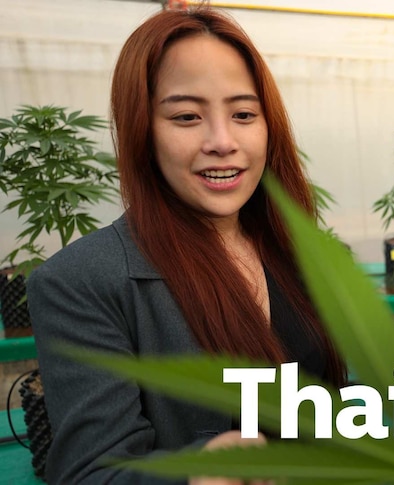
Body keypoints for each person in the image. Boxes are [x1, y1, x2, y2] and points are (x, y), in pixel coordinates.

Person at [27, 7, 346, 484]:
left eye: (243, 114)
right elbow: (90, 473)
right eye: (186, 116)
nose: (222, 141)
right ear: (142, 130)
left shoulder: (300, 256)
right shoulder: (82, 281)